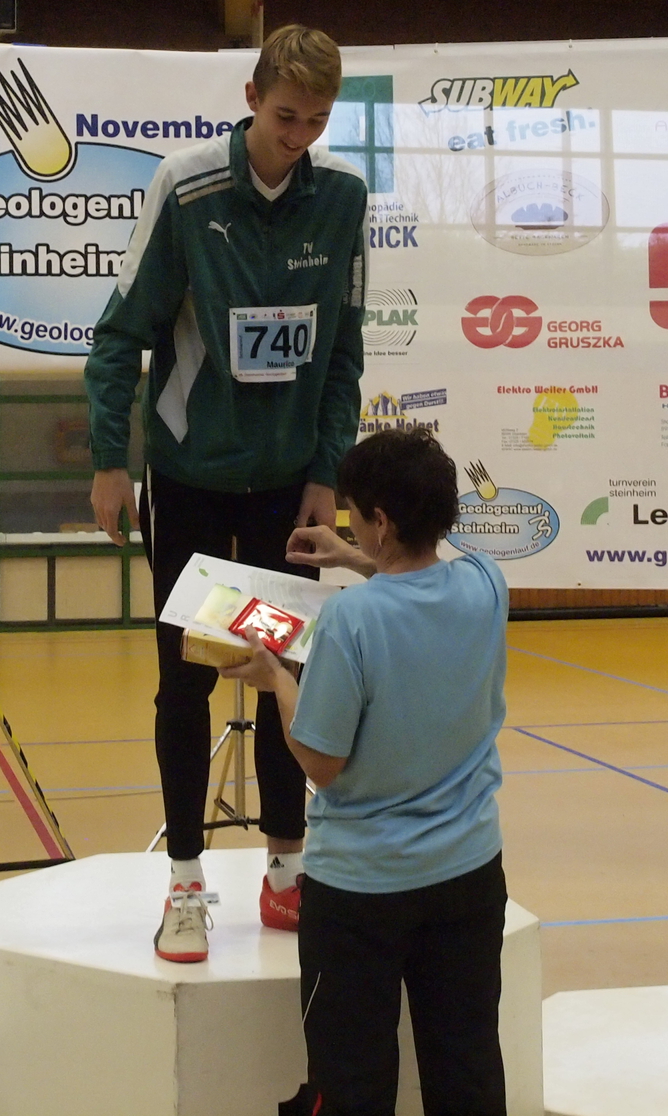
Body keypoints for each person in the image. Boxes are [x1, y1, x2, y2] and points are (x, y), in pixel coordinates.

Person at [84, 23, 367, 963]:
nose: (299, 136)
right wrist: (110, 460)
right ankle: (184, 883)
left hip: (285, 488)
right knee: (187, 679)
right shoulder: (188, 187)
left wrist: (325, 473)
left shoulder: (344, 198)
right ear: (251, 98)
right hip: (191, 479)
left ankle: (288, 871)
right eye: (286, 116)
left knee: (288, 672)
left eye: (316, 122)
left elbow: (343, 351)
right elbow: (120, 334)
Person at [224, 426, 508, 1116]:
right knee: (468, 1070)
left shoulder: (350, 620)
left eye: (355, 516)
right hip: (469, 876)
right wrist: (355, 556)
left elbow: (322, 761)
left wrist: (275, 679)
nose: (349, 522)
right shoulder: (486, 582)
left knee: (350, 1084)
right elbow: (419, 585)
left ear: (382, 520)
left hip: (362, 894)